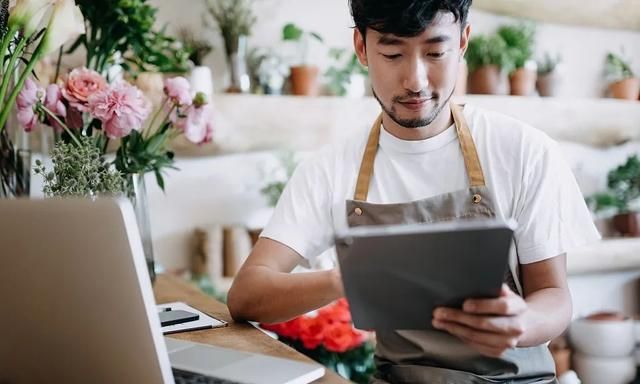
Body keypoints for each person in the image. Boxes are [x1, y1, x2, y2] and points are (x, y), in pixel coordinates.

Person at [228, 1, 600, 382]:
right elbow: (246, 295)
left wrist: (523, 322)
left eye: (436, 52)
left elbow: (554, 295)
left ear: (463, 42)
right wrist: (346, 279)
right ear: (361, 48)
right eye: (392, 54)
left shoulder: (523, 151)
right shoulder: (329, 169)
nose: (415, 80)